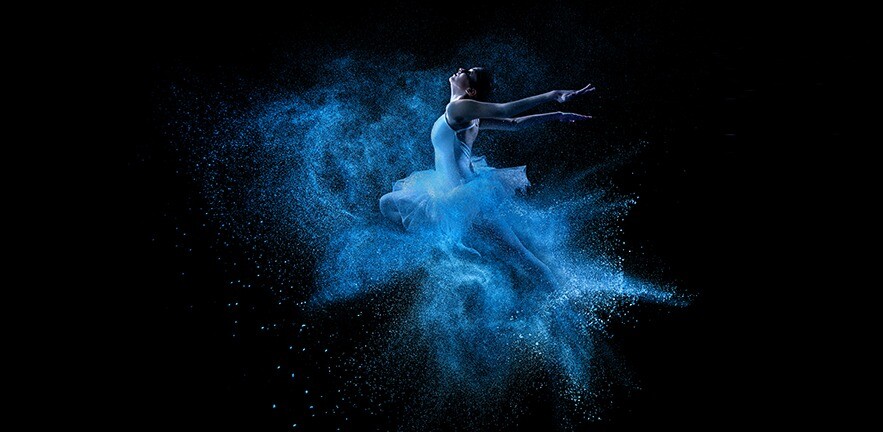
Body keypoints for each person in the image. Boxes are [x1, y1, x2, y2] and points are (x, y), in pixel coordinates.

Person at [379, 67, 594, 291]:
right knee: (388, 203)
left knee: (519, 254)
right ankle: (454, 243)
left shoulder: (458, 107)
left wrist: (552, 95)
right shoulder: (466, 114)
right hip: (454, 190)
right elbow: (514, 124)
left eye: (469, 73)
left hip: (465, 194)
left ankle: (561, 294)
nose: (462, 69)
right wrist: (557, 115)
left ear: (470, 90)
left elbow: (505, 111)